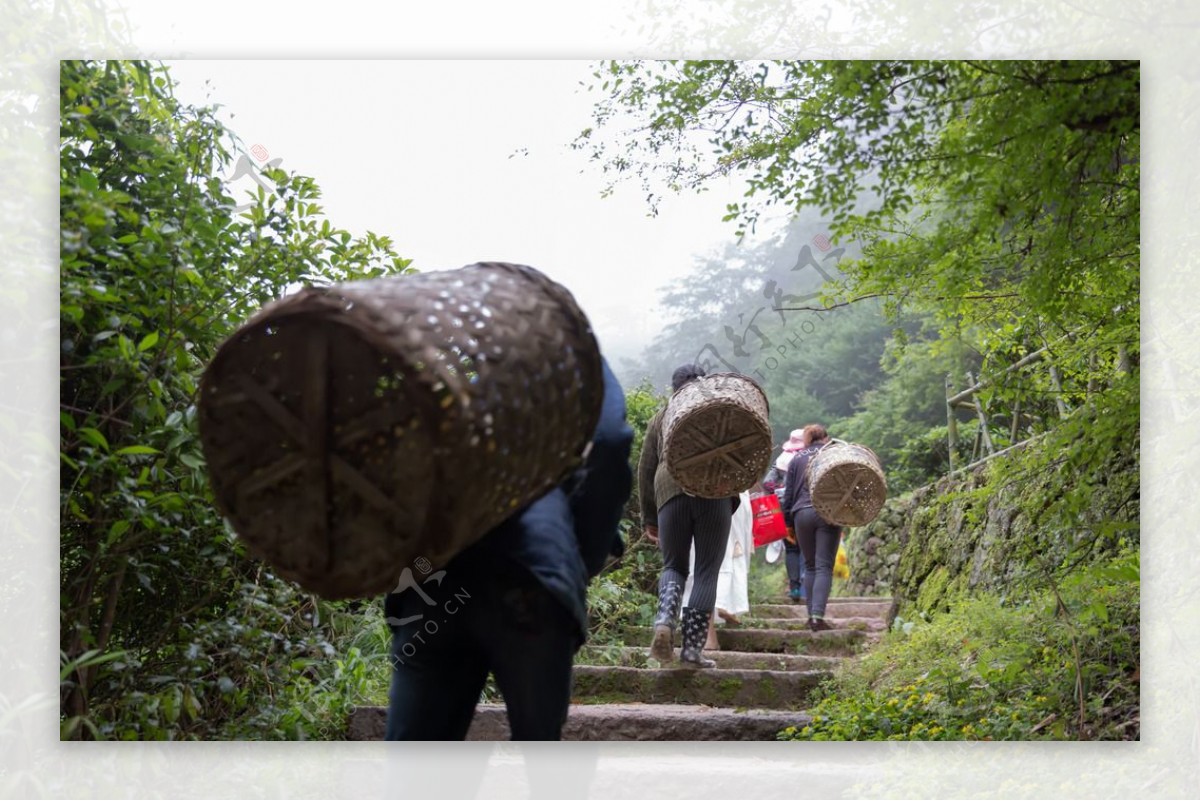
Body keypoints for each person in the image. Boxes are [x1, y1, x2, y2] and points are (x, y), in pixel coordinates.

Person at [383, 357, 633, 740]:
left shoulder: (441, 330)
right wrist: (578, 560)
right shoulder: (566, 347)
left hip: (435, 570)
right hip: (532, 574)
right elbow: (610, 443)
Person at [638, 363, 739, 669]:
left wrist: (649, 517)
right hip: (715, 493)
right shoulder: (719, 411)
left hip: (670, 493)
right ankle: (693, 651)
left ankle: (665, 622)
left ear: (674, 388)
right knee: (707, 570)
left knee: (674, 566)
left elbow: (646, 467)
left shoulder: (663, 415)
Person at [781, 423, 841, 632]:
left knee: (810, 565)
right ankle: (817, 616)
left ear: (807, 440)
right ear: (825, 438)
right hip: (827, 513)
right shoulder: (832, 454)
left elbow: (788, 495)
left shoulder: (796, 459)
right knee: (824, 565)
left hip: (801, 514)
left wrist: (787, 522)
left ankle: (810, 617)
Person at [683, 488, 753, 650]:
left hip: (695, 492)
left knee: (702, 563)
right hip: (733, 497)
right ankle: (724, 602)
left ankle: (709, 636)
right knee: (730, 554)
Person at [766, 429, 807, 603]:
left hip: (785, 510)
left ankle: (794, 588)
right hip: (805, 509)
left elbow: (767, 484)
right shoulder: (810, 458)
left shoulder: (781, 460)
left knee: (791, 549)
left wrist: (779, 490)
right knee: (807, 546)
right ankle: (806, 587)